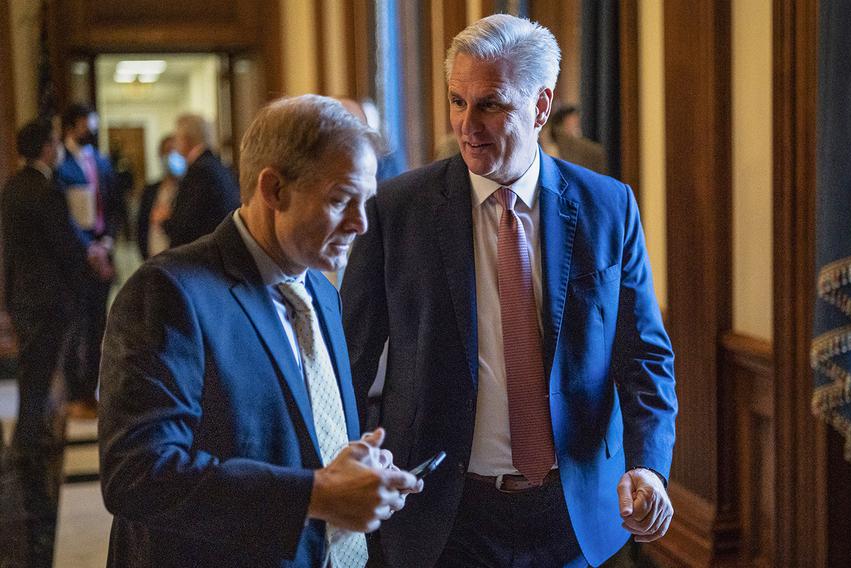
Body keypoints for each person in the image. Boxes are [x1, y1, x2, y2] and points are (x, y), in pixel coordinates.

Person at [341, 14, 677, 567]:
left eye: (490, 104)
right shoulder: (397, 211)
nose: (467, 125)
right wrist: (344, 478)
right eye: (457, 101)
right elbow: (351, 362)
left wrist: (649, 467)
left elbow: (644, 354)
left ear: (541, 106)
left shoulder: (607, 207)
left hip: (575, 513)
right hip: (445, 516)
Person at [98, 95, 421, 568]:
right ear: (273, 189)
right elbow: (138, 473)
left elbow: (294, 437)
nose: (361, 224)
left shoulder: (322, 292)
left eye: (365, 202)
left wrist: (354, 469)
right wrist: (315, 494)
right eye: (339, 201)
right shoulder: (171, 293)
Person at [1, 118, 110, 566]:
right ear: (46, 148)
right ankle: (29, 439)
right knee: (41, 367)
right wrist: (92, 262)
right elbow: (63, 241)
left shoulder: (10, 187)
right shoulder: (44, 190)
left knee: (36, 366)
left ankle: (31, 433)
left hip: (25, 296)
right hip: (48, 297)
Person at [56, 103, 117, 419]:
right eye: (84, 125)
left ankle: (91, 391)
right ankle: (74, 392)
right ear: (71, 127)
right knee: (76, 325)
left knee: (97, 326)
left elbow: (113, 206)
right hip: (77, 259)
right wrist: (86, 249)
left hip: (102, 250)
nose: (90, 131)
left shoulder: (102, 161)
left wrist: (107, 242)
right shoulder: (59, 165)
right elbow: (61, 216)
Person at [159, 113, 241, 248]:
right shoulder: (218, 165)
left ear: (185, 139)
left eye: (176, 138)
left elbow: (187, 226)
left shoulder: (199, 171)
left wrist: (165, 220)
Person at [136, 134, 185, 259]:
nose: (171, 156)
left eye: (175, 151)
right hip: (154, 259)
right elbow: (141, 224)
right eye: (167, 151)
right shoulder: (150, 190)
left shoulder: (189, 190)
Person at [543, 105, 608, 174]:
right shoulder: (554, 142)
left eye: (577, 122)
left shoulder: (585, 147)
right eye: (573, 122)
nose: (577, 124)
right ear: (562, 124)